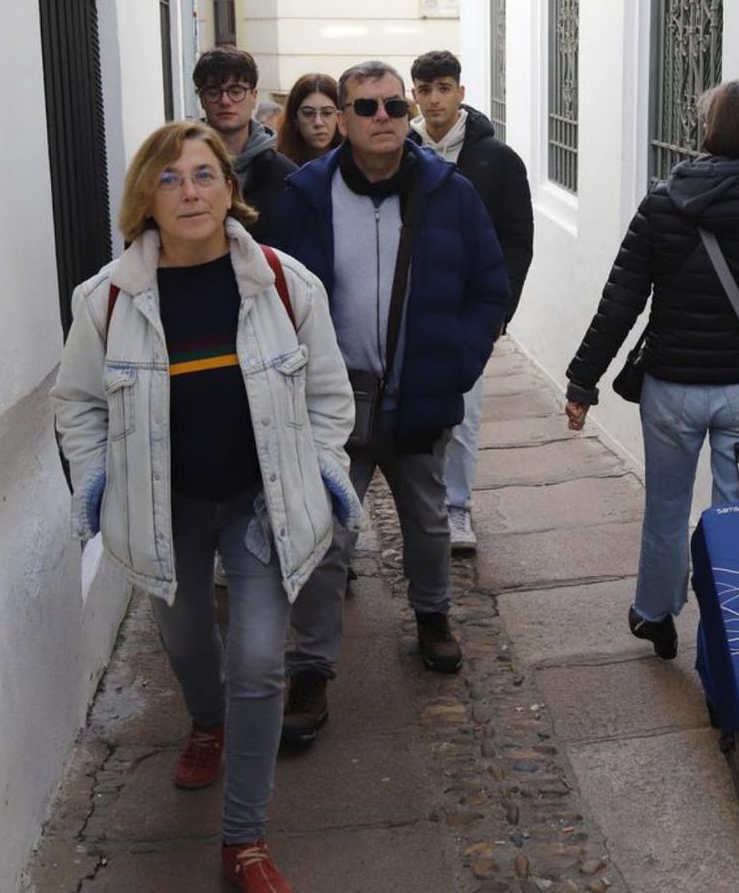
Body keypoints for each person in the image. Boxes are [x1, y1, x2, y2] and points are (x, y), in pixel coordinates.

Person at [52, 122, 362, 893]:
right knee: (189, 640)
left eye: (203, 174)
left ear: (230, 187)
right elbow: (78, 405)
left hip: (262, 502)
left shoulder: (286, 284)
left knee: (258, 661)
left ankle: (243, 839)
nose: (189, 191)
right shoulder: (109, 300)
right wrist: (100, 485)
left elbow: (329, 396)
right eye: (169, 178)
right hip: (166, 509)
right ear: (144, 200)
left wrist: (318, 471)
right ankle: (206, 719)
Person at [268, 59, 509, 744]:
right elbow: (272, 292)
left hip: (417, 395)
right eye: (366, 107)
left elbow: (487, 286)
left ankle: (433, 615)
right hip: (332, 402)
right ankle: (311, 665)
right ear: (339, 119)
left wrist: (456, 364)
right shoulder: (305, 195)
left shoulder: (449, 192)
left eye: (394, 107)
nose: (383, 118)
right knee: (326, 538)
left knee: (429, 524)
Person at [563, 79, 739, 660]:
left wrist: (583, 380)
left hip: (670, 390)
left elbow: (620, 300)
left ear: (711, 129)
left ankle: (653, 614)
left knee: (666, 509)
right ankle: (729, 643)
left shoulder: (662, 203)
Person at [409, 50, 534, 554]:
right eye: (424, 89)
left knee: (464, 408)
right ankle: (422, 505)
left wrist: (501, 311)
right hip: (407, 303)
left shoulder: (496, 159)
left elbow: (516, 241)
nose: (434, 99)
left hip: (467, 309)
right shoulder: (398, 151)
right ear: (413, 95)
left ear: (461, 92)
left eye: (443, 88)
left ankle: (457, 506)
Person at [194, 46, 297, 241]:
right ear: (201, 98)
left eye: (236, 91)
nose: (225, 101)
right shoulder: (177, 167)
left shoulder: (286, 177)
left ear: (254, 95)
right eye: (213, 91)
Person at [276, 72, 343, 167]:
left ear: (340, 117)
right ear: (295, 118)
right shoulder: (277, 166)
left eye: (327, 113)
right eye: (308, 113)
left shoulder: (358, 165)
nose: (318, 122)